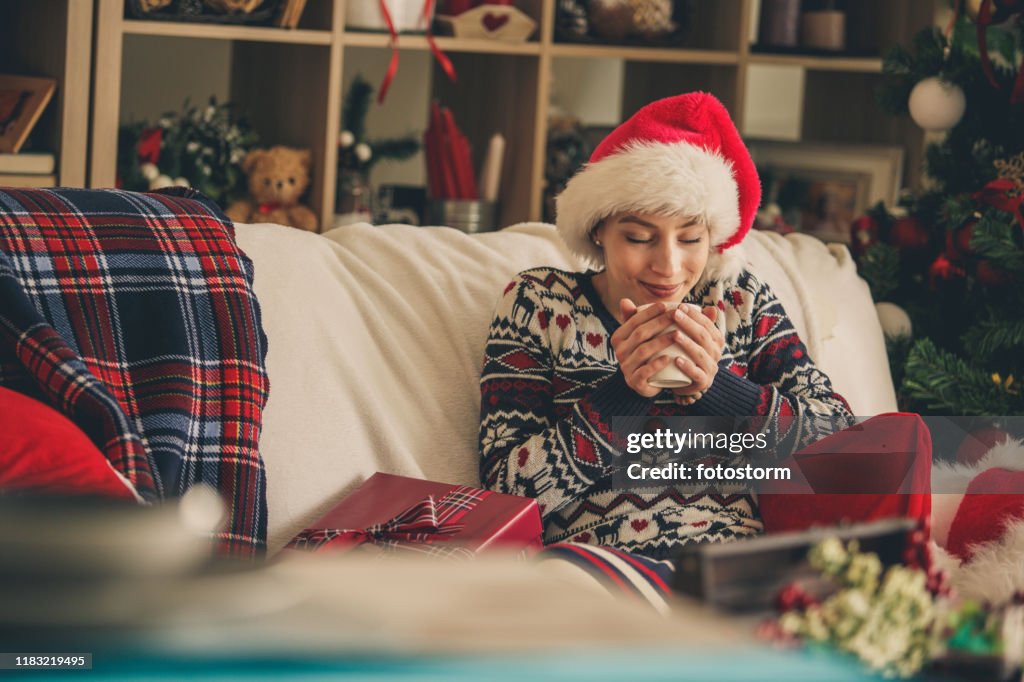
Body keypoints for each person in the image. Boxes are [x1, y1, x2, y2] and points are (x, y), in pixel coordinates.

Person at [478, 92, 853, 562]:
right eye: (639, 237)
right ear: (598, 228)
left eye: (691, 238)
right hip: (600, 570)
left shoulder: (738, 300)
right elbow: (504, 495)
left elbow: (841, 449)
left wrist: (717, 390)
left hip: (735, 566)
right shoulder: (541, 303)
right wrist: (626, 394)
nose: (669, 266)